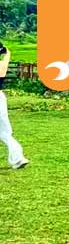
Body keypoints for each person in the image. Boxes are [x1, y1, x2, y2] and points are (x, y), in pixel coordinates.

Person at [0, 42, 29, 170]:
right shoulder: (1, 66)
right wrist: (7, 53)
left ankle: (18, 158)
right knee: (5, 133)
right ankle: (18, 158)